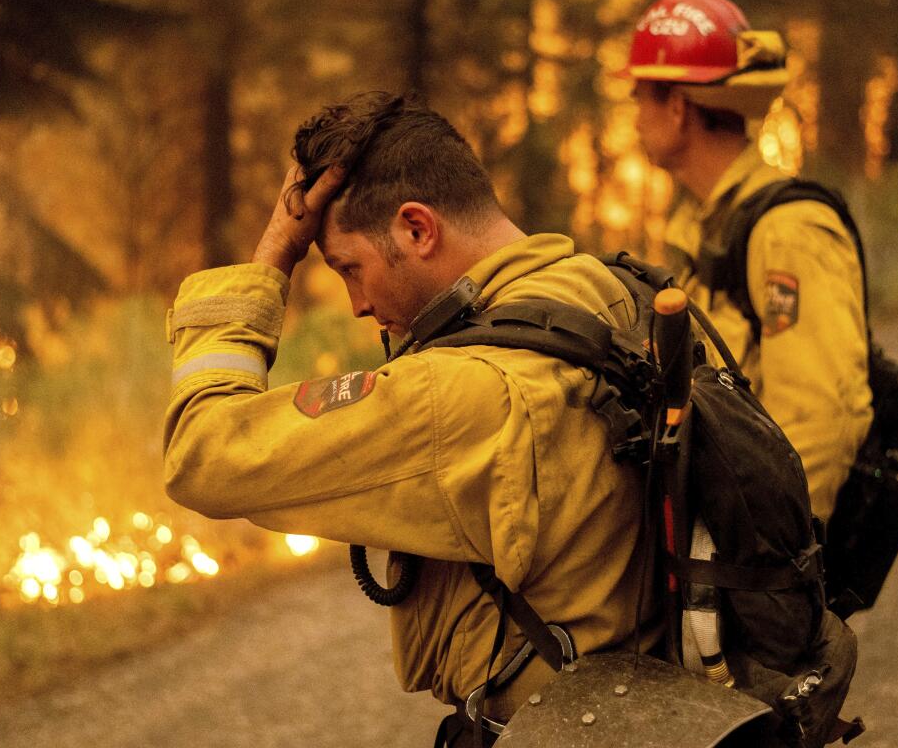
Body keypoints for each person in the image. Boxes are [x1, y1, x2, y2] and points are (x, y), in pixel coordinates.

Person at [162, 92, 659, 744]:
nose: (357, 304)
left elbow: (205, 455)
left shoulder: (457, 395)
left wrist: (275, 255)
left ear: (418, 229)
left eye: (349, 268)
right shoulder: (609, 292)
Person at [618, 0, 873, 520]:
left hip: (765, 550)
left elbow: (820, 416)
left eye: (640, 94)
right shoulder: (703, 227)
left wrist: (771, 565)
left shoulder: (788, 231)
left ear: (678, 106)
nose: (635, 114)